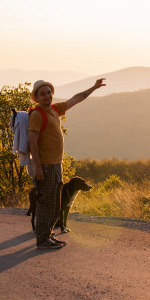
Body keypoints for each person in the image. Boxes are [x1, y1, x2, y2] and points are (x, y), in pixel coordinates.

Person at [29, 78, 106, 249]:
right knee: (46, 203)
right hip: (45, 166)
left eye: (49, 92)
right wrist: (37, 167)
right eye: (42, 94)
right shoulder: (36, 114)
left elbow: (76, 98)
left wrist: (94, 87)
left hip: (56, 165)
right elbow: (32, 142)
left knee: (55, 204)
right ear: (36, 98)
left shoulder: (55, 109)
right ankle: (42, 239)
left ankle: (47, 235)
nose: (47, 96)